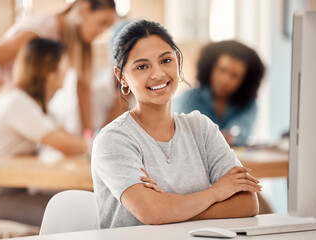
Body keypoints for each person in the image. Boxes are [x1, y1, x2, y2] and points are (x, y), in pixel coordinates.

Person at [92, 20, 262, 229]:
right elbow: (152, 212)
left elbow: (246, 203)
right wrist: (215, 193)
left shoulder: (202, 128)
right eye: (142, 66)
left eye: (165, 60)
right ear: (122, 77)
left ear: (178, 61)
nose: (158, 74)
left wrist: (169, 207)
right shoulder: (113, 140)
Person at [0, 38, 88, 226]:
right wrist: (98, 142)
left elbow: (65, 137)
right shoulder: (17, 102)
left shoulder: (34, 104)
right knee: (71, 214)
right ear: (50, 73)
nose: (68, 72)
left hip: (12, 191)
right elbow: (66, 144)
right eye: (65, 65)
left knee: (76, 204)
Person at [0, 0, 117, 140]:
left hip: (20, 112)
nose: (102, 31)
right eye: (102, 23)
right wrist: (4, 91)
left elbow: (82, 88)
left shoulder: (76, 42)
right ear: (85, 9)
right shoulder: (38, 33)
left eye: (107, 27)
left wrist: (88, 136)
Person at [173, 40, 265, 146]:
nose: (225, 80)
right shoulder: (188, 98)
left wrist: (233, 135)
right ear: (210, 68)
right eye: (222, 70)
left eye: (234, 75)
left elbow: (242, 130)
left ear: (245, 81)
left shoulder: (249, 104)